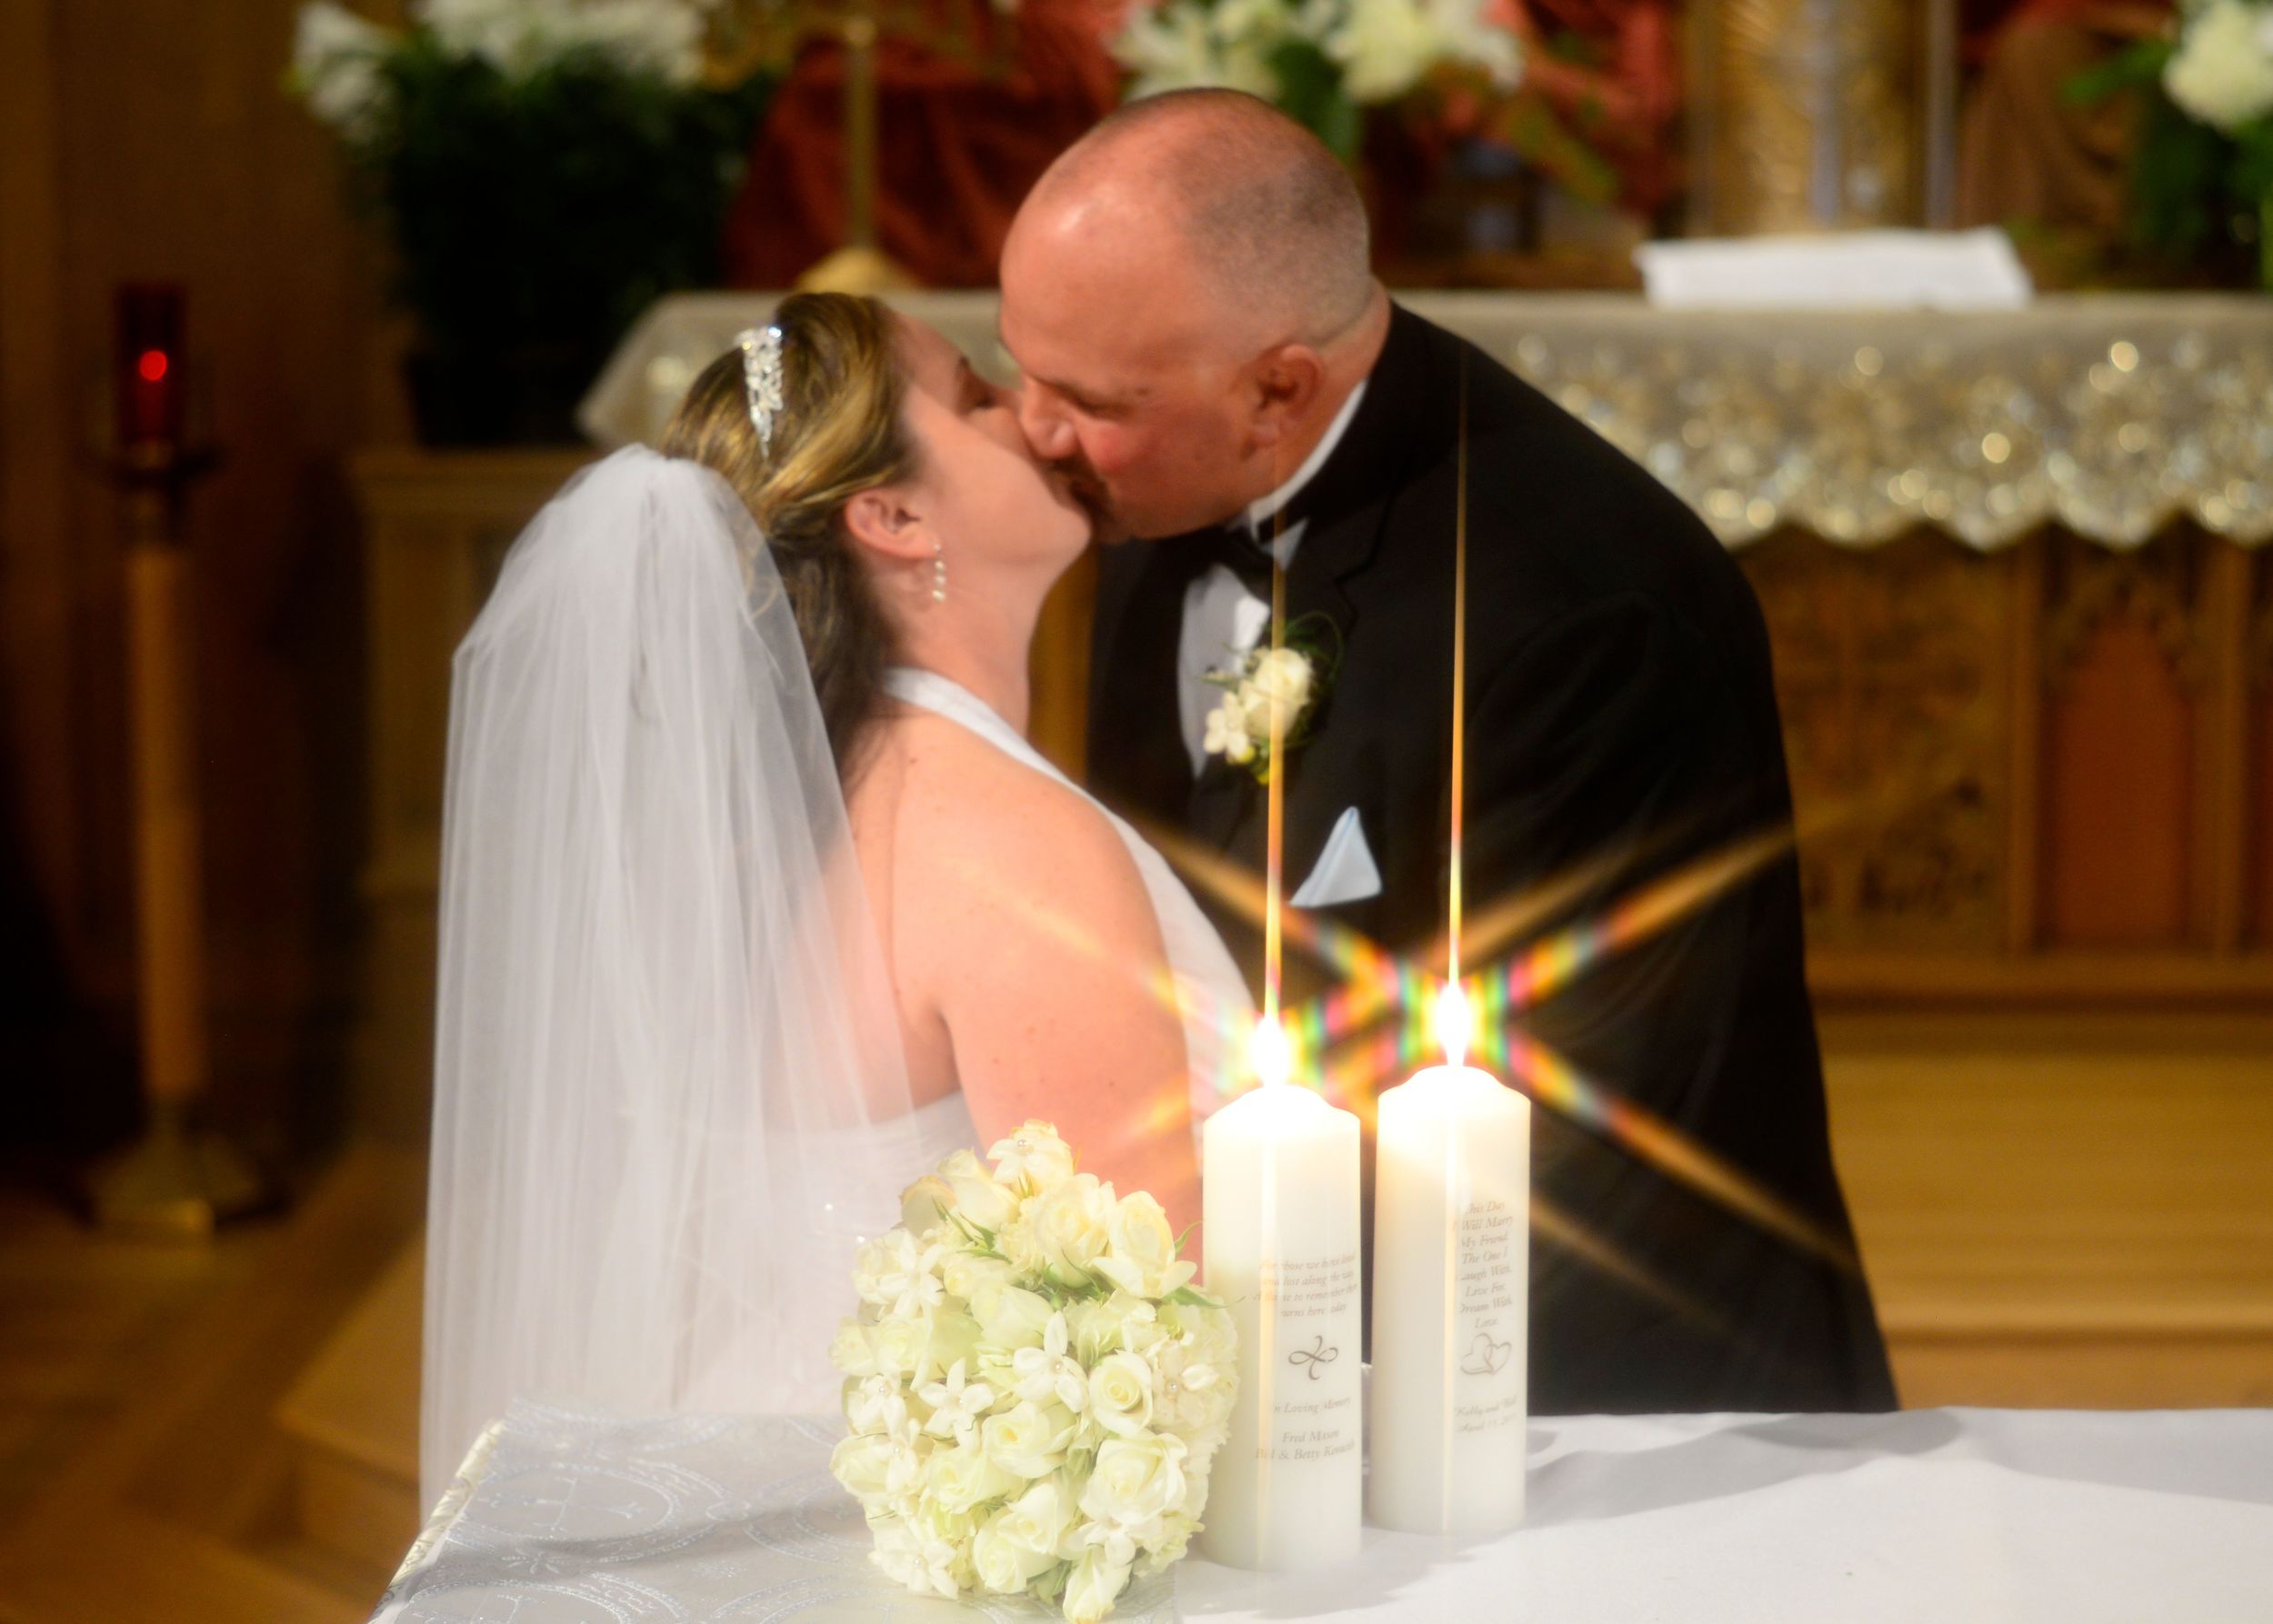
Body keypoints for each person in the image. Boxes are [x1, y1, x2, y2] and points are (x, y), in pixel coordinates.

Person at [1002, 89, 1897, 1414]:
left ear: (1277, 389)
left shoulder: (1585, 609)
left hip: (1600, 1389)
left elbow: (1577, 1127)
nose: (1034, 431)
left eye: (1085, 398)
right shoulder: (1159, 481)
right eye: (1020, 367)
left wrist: (1302, 1398)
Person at [420, 293, 1248, 1507]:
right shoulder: (1004, 842)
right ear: (894, 515)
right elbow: (1148, 1329)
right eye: (976, 397)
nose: (1032, 417)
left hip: (761, 1471)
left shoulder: (765, 825)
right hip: (961, 1513)